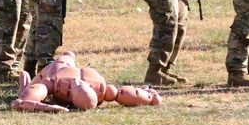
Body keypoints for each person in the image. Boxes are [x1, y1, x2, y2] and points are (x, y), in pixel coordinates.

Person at [12, 51, 162, 113]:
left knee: (66, 56)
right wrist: (149, 94)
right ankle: (27, 85)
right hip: (62, 69)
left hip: (58, 69)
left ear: (70, 96)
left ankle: (26, 86)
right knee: (67, 56)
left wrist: (47, 107)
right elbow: (128, 94)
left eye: (72, 91)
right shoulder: (103, 91)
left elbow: (18, 104)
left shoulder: (56, 84)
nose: (77, 84)